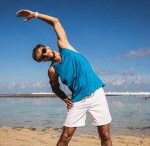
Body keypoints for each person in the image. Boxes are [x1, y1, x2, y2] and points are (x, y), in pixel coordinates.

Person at [16, 9, 112, 146]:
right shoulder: (52, 70)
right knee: (65, 136)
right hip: (78, 100)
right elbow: (55, 87)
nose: (45, 55)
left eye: (44, 51)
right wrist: (66, 99)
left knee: (105, 135)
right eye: (42, 58)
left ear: (47, 47)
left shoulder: (64, 46)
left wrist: (35, 15)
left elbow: (55, 21)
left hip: (96, 94)